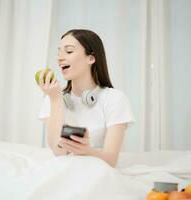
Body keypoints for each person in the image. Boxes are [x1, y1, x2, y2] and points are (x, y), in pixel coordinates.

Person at [38, 29, 135, 167]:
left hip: (98, 173)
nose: (59, 58)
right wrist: (55, 100)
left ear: (91, 58)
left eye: (69, 51)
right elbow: (58, 152)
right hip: (62, 171)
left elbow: (111, 161)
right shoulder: (54, 97)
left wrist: (87, 151)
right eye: (59, 51)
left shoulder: (115, 99)